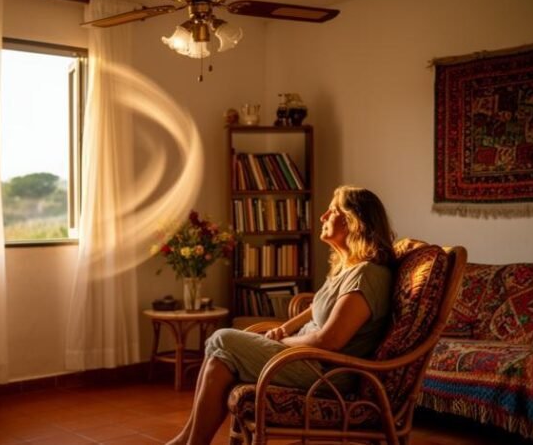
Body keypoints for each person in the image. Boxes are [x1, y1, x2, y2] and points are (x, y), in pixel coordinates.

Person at [168, 185, 396, 445]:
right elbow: (319, 307)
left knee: (223, 339)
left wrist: (281, 343)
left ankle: (190, 441)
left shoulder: (367, 275)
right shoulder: (349, 269)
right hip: (307, 359)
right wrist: (286, 328)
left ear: (352, 221)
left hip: (326, 373)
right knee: (221, 358)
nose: (322, 217)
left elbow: (329, 340)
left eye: (331, 211)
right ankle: (189, 439)